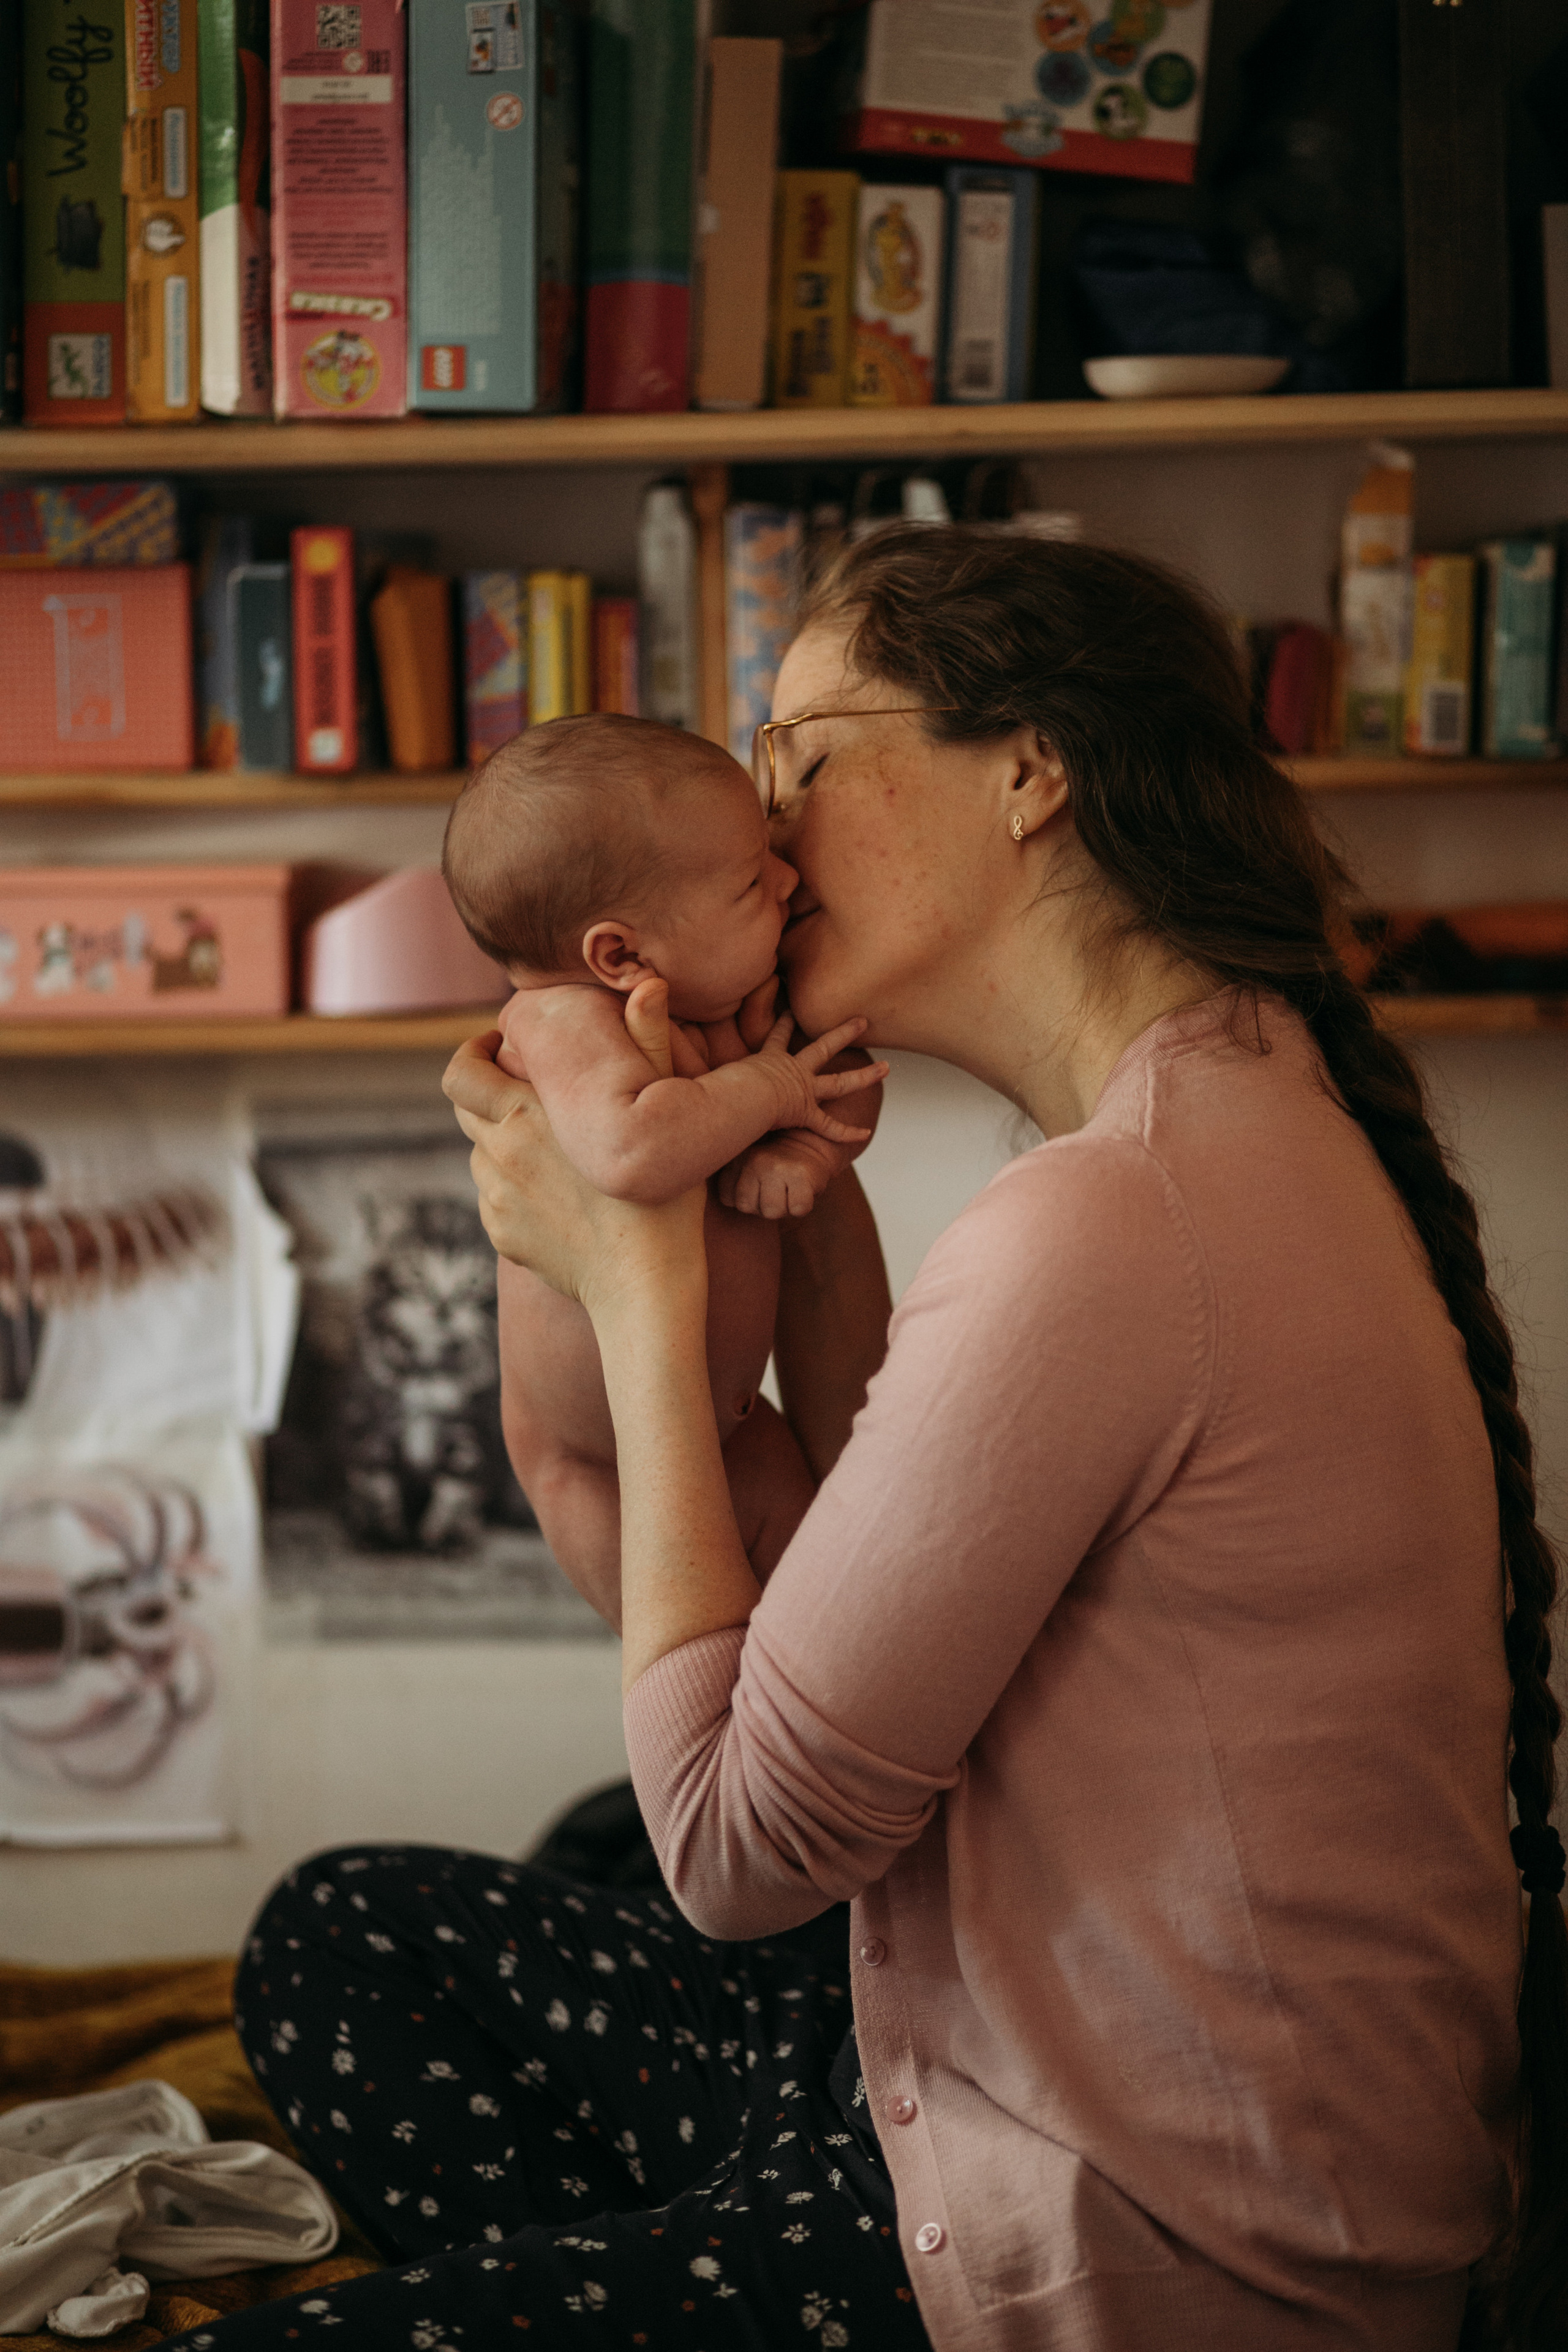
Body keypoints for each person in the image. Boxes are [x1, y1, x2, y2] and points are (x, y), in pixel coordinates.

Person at [164, 529, 1566, 2352]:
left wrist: (635, 1284)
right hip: (997, 2068)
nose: (759, 830)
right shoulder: (1223, 1115)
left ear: (1030, 771)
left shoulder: (1118, 1217)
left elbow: (737, 1850)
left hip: (1154, 2250)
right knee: (340, 1938)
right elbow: (845, 1592)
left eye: (798, 757)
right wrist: (789, 1202)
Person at [440, 715, 886, 1608]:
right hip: (593, 1464)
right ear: (621, 953)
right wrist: (767, 1091)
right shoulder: (567, 1023)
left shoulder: (719, 1001)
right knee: (693, 1664)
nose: (791, 881)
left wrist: (805, 1150)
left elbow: (842, 1065)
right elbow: (633, 1149)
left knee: (838, 1620)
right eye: (754, 881)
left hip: (736, 1434)